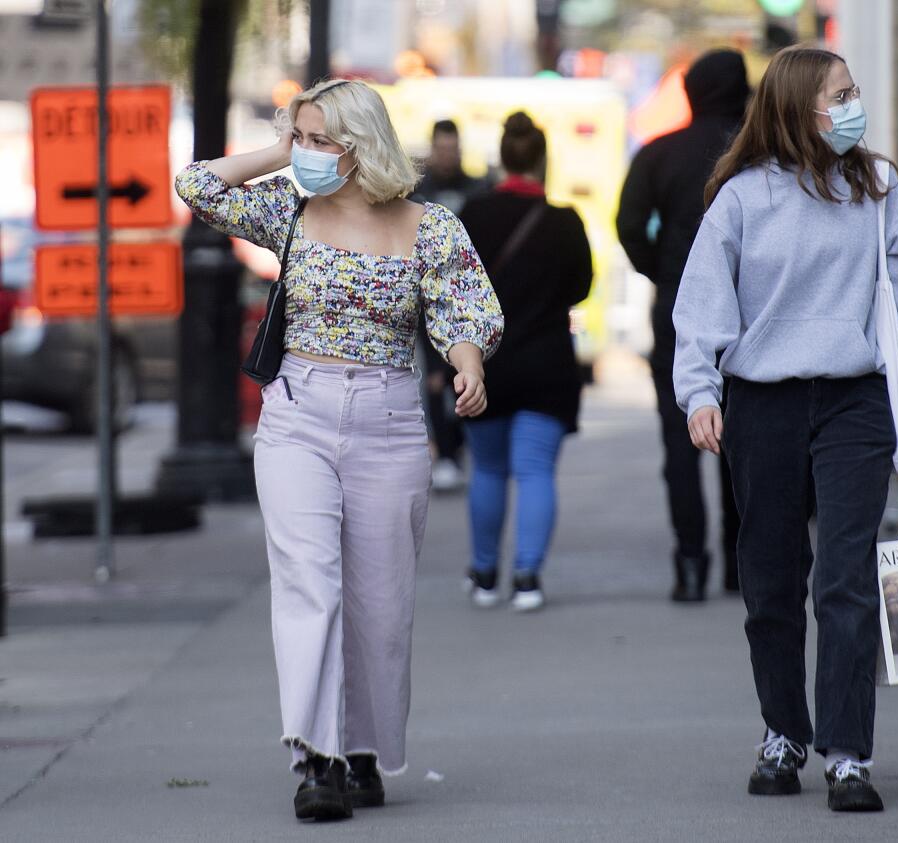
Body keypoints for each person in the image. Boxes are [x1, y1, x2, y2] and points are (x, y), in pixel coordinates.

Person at [175, 79, 503, 822]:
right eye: (303, 138)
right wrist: (278, 148)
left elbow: (466, 306)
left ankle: (362, 751)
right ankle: (316, 757)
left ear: (363, 146)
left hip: (388, 420)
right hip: (296, 416)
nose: (308, 154)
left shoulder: (430, 227)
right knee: (308, 583)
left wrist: (468, 362)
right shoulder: (288, 209)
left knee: (380, 604)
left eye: (322, 141)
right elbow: (194, 185)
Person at [672, 47, 898, 812]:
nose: (854, 105)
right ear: (800, 107)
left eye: (854, 91)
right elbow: (700, 305)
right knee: (769, 578)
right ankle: (783, 732)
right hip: (761, 404)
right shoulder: (740, 199)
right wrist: (699, 392)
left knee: (847, 579)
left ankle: (848, 751)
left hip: (853, 401)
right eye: (842, 94)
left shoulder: (877, 185)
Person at [617, 49, 749, 602]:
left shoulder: (658, 153)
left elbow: (627, 225)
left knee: (681, 440)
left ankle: (690, 563)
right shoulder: (759, 155)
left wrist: (663, 272)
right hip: (750, 314)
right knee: (744, 440)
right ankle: (741, 566)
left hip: (676, 310)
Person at [457, 111, 593, 612]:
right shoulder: (564, 222)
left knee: (488, 470)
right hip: (546, 363)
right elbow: (581, 287)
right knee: (535, 470)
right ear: (543, 161)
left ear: (503, 158)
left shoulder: (473, 213)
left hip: (483, 363)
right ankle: (528, 578)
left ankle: (485, 574)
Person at [413, 120, 488, 492]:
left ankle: (456, 447)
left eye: (452, 148)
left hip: (465, 294)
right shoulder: (417, 190)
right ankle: (444, 452)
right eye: (441, 149)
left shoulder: (476, 189)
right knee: (433, 379)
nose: (447, 155)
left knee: (464, 374)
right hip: (426, 300)